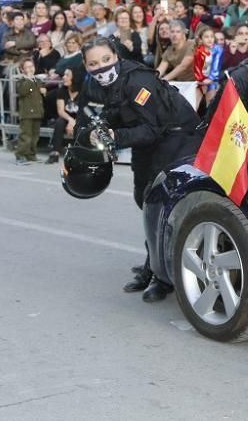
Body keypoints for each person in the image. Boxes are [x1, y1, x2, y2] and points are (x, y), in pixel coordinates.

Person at [78, 36, 201, 302]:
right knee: (142, 198)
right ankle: (152, 261)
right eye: (93, 63)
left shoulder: (137, 81)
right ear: (86, 66)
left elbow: (152, 128)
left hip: (177, 138)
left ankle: (162, 276)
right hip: (147, 141)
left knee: (160, 207)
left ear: (116, 56)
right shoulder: (103, 83)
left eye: (106, 60)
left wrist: (114, 136)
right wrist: (92, 130)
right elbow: (111, 111)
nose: (100, 67)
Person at [46, 66, 84, 164]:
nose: (63, 77)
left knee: (80, 125)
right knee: (59, 122)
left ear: (74, 77)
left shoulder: (83, 92)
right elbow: (61, 111)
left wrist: (74, 122)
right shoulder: (62, 91)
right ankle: (55, 153)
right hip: (66, 117)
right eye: (64, 75)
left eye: (67, 75)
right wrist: (71, 121)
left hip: (80, 117)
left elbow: (84, 111)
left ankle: (78, 154)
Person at [15, 58, 45, 165]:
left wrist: (44, 91)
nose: (30, 69)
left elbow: (41, 93)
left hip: (37, 111)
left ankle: (31, 154)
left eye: (31, 66)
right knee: (26, 135)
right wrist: (28, 79)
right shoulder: (22, 81)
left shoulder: (38, 80)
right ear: (22, 70)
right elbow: (23, 92)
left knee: (35, 135)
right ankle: (20, 155)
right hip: (27, 112)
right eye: (27, 67)